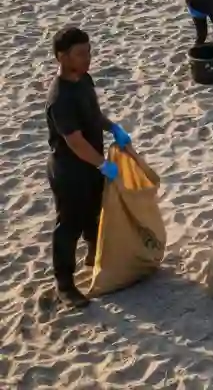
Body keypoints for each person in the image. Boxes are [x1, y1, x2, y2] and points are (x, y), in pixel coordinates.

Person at [45, 26, 132, 309]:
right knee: (69, 224)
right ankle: (65, 285)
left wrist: (112, 127)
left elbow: (93, 114)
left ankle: (94, 256)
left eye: (89, 52)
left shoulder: (84, 79)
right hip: (70, 170)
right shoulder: (60, 98)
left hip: (92, 163)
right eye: (80, 54)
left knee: (95, 212)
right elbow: (74, 141)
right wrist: (103, 164)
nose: (87, 58)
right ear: (62, 57)